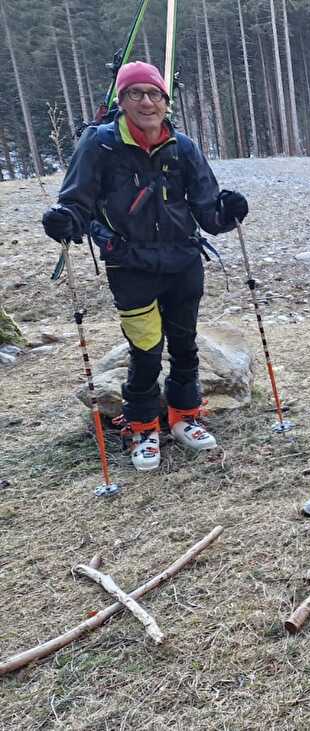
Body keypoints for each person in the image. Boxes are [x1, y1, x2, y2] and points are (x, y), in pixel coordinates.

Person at [42, 61, 248, 471]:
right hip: (130, 264)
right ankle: (142, 425)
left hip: (183, 261)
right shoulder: (99, 145)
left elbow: (207, 210)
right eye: (135, 93)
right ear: (121, 100)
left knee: (185, 344)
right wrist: (65, 220)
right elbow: (77, 202)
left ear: (166, 102)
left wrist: (228, 213)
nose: (146, 102)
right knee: (146, 349)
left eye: (154, 94)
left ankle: (184, 417)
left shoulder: (183, 147)